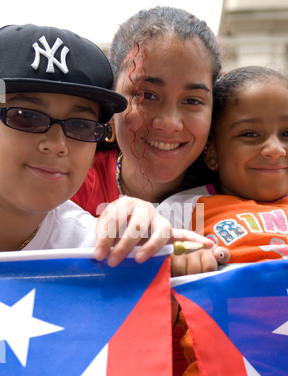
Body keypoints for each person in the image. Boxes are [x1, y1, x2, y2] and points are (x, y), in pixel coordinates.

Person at [71, 6, 228, 376]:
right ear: (111, 98)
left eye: (193, 100)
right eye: (147, 95)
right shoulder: (64, 180)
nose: (169, 123)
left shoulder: (242, 196)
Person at [160, 65, 288, 376]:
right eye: (250, 135)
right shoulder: (184, 211)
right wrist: (174, 269)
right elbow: (147, 306)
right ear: (213, 152)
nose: (274, 148)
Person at [0, 23, 210, 264]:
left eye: (80, 125)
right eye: (25, 117)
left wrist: (164, 262)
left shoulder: (97, 253)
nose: (57, 144)